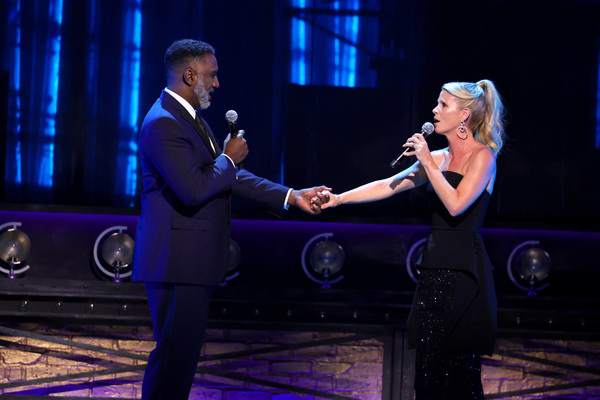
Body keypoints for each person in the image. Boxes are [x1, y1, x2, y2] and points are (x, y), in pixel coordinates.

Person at [132, 39, 329, 400]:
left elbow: (226, 179)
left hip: (191, 264)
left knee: (181, 364)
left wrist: (291, 195)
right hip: (177, 263)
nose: (218, 83)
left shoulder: (189, 120)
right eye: (212, 74)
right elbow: (193, 188)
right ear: (189, 75)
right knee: (172, 365)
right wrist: (228, 159)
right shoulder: (162, 123)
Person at [313, 80, 505, 399]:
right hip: (434, 267)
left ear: (464, 115)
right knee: (429, 370)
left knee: (459, 371)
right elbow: (389, 184)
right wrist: (339, 199)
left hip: (464, 272)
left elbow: (457, 204)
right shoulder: (439, 158)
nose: (434, 110)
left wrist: (428, 162)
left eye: (443, 105)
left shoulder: (483, 157)